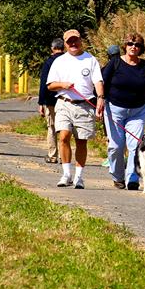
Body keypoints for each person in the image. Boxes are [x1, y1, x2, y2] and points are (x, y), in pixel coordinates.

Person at [101, 32, 145, 190]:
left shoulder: (144, 66)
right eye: (130, 44)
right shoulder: (115, 63)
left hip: (137, 111)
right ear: (125, 46)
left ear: (141, 49)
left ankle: (132, 178)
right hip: (114, 109)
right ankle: (117, 176)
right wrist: (99, 100)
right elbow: (100, 82)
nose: (133, 47)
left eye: (137, 45)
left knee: (134, 145)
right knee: (116, 146)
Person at [46, 29, 104, 190]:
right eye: (69, 41)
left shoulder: (90, 60)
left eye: (75, 40)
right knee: (64, 136)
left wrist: (100, 97)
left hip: (84, 105)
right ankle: (66, 174)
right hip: (64, 103)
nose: (73, 44)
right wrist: (63, 85)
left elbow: (98, 81)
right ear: (65, 44)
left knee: (81, 141)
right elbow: (50, 85)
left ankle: (79, 177)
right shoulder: (59, 61)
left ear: (81, 41)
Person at [37, 38, 65, 163]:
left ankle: (53, 155)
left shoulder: (49, 62)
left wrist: (41, 102)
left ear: (52, 48)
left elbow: (44, 83)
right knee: (64, 129)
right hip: (65, 98)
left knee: (52, 127)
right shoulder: (67, 60)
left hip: (50, 100)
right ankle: (64, 156)